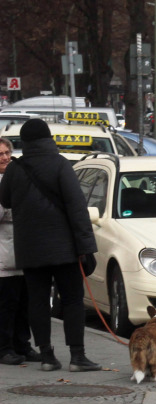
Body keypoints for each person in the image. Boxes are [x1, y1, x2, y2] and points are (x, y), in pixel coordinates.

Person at [0, 119, 99, 372]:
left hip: (29, 249)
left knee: (38, 301)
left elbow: (6, 200)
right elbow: (77, 208)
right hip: (64, 248)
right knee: (73, 300)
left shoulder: (15, 168)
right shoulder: (61, 165)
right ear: (48, 138)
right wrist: (86, 246)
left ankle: (46, 357)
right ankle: (77, 357)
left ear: (26, 141)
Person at [0, 138, 36, 366]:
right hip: (3, 256)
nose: (4, 157)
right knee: (6, 305)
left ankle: (23, 344)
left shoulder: (16, 177)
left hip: (23, 253)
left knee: (25, 304)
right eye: (0, 154)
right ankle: (5, 348)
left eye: (7, 152)